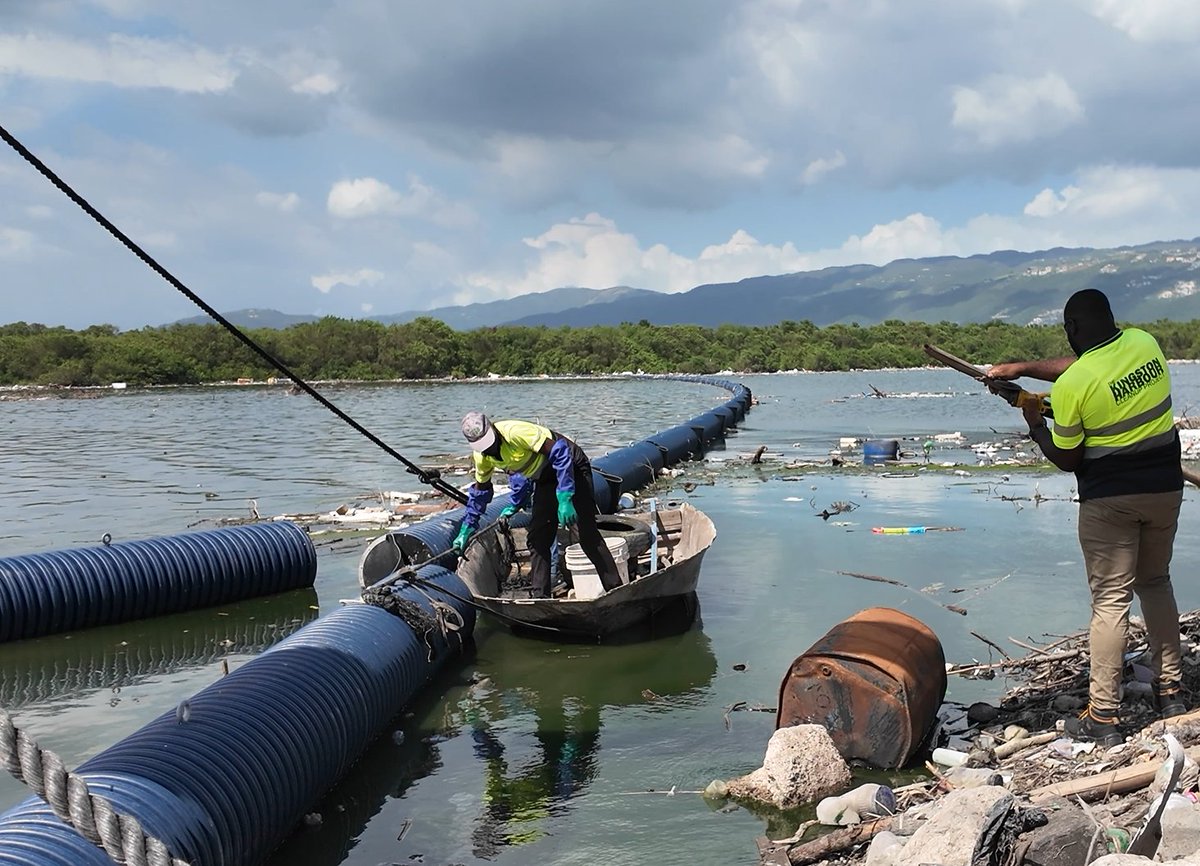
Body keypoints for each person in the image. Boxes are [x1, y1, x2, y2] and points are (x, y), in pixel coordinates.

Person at [987, 288, 1185, 747]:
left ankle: (1104, 716)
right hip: (1164, 490)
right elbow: (1082, 373)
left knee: (1111, 603)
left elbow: (1068, 457)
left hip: (1111, 502)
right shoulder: (1144, 343)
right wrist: (1022, 375)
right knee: (1155, 583)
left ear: (1071, 329)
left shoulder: (1077, 385)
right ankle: (1171, 692)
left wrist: (1036, 423)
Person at [452, 412, 622, 597]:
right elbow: (480, 493)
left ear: (492, 429)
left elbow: (560, 452)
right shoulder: (483, 456)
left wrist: (565, 498)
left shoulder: (515, 432)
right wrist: (467, 528)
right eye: (483, 447)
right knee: (538, 539)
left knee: (584, 533)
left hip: (571, 466)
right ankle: (541, 599)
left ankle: (616, 590)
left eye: (489, 442)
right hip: (545, 478)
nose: (489, 449)